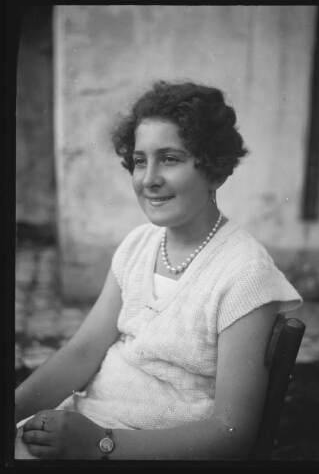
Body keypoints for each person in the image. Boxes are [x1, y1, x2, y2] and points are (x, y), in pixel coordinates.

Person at [15, 80, 302, 460]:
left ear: (214, 170)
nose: (149, 179)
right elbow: (83, 351)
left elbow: (232, 432)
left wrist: (100, 443)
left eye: (170, 158)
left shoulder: (244, 275)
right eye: (139, 160)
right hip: (86, 426)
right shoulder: (139, 244)